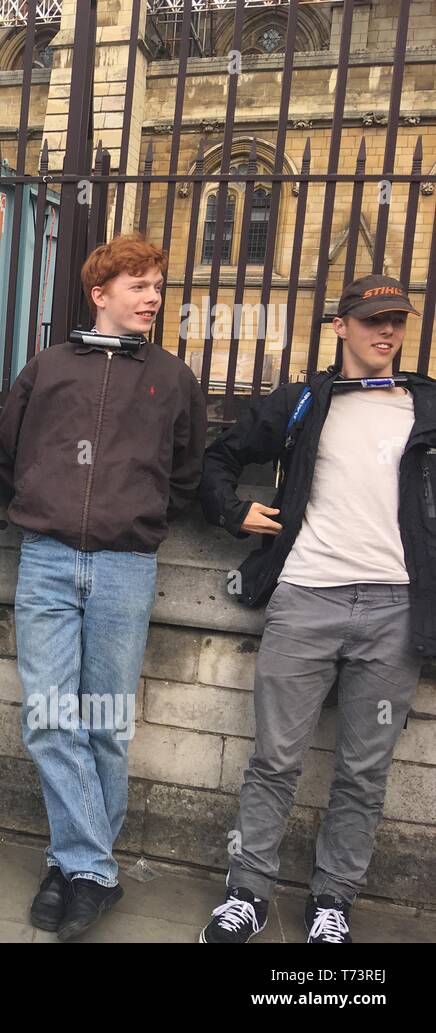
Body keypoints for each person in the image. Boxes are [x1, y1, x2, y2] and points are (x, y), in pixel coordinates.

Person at [197, 275, 432, 944]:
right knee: (275, 758)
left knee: (364, 769)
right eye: (371, 321)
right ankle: (248, 892)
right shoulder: (306, 401)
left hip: (395, 608)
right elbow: (220, 456)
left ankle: (332, 902)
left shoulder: (424, 404)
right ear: (340, 327)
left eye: (396, 321)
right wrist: (234, 510)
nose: (386, 332)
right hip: (306, 596)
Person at [0, 235, 206, 940]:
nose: (151, 296)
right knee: (50, 716)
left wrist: (136, 521)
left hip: (124, 564)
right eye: (138, 284)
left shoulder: (172, 377)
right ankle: (93, 868)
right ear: (100, 291)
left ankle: (73, 863)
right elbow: (9, 452)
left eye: (156, 285)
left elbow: (184, 471)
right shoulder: (48, 367)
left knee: (107, 723)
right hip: (47, 556)